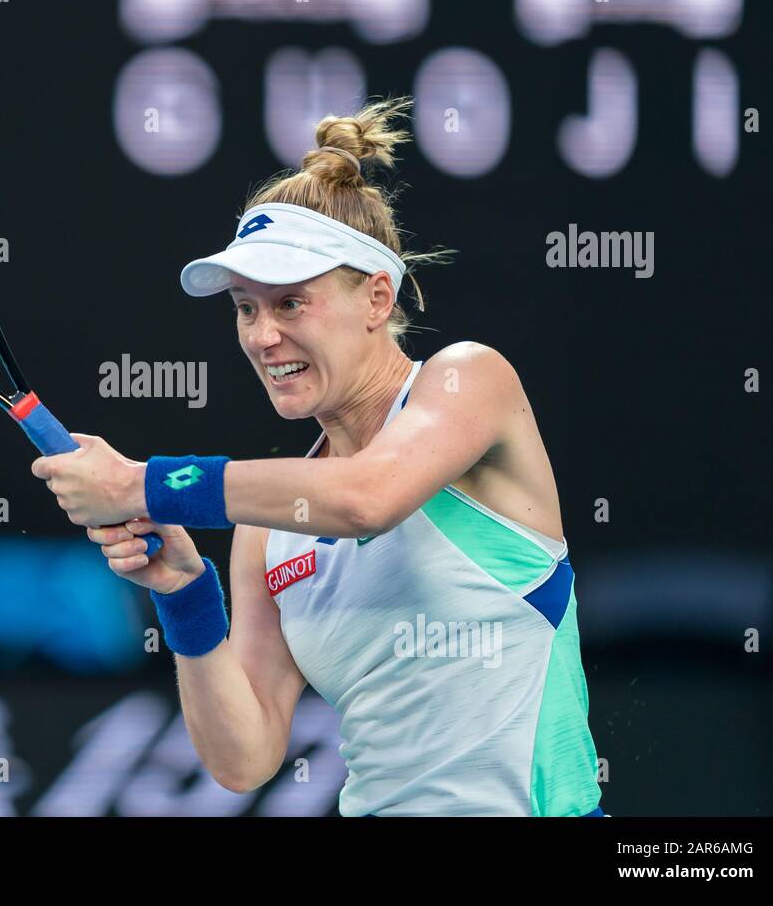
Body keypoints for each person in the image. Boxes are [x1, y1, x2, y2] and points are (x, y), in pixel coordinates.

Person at [32, 99, 604, 816]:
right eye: (245, 308)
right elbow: (244, 759)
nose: (262, 336)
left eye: (291, 304)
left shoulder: (468, 378)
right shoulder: (267, 534)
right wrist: (184, 596)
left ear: (376, 297)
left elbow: (367, 497)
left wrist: (139, 484)